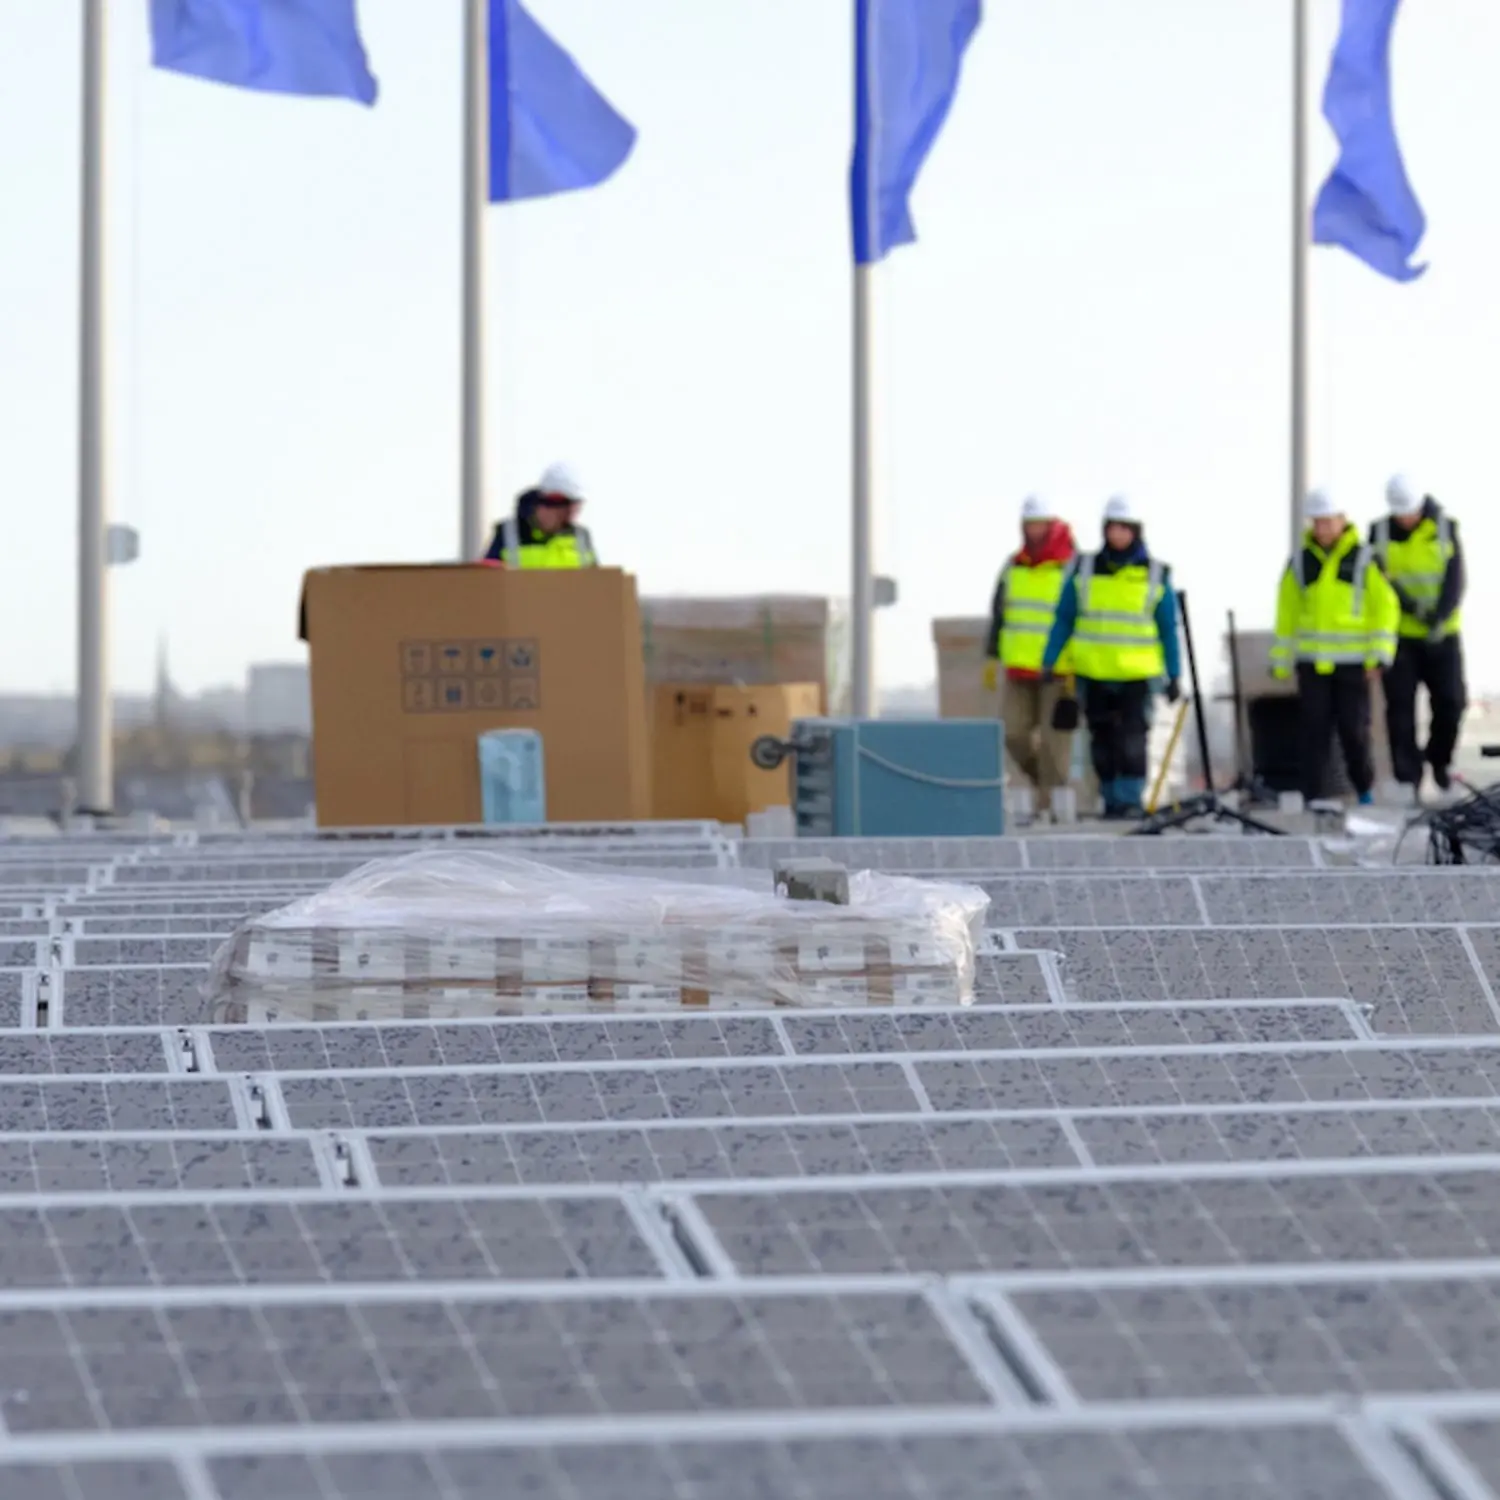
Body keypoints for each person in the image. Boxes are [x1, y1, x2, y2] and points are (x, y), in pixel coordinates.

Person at [1041, 496, 1182, 820]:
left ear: (1135, 531)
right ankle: (1111, 799)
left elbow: (1168, 629)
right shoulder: (1084, 569)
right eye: (1112, 528)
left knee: (1132, 740)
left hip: (1137, 674)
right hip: (1093, 671)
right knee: (1101, 740)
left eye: (1124, 528)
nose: (1117, 535)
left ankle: (1130, 799)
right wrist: (1050, 660)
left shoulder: (1155, 574)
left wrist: (1174, 675)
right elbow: (1064, 618)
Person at [1270, 489, 1399, 807]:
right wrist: (1281, 660)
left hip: (1354, 665)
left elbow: (1385, 608)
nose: (1323, 529)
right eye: (1318, 522)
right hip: (1312, 665)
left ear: (1343, 520)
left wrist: (1379, 655)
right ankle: (1314, 796)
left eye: (1328, 521)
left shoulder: (1365, 560)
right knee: (1314, 732)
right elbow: (1286, 613)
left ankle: (1364, 791)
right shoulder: (1299, 563)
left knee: (1355, 733)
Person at [1370, 473, 1467, 797]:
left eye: (1410, 511)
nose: (1406, 518)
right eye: (1401, 513)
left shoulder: (1445, 528)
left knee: (1452, 702)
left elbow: (1456, 579)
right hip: (1400, 638)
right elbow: (1377, 581)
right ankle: (1407, 778)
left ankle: (1439, 762)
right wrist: (1411, 608)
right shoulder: (1379, 533)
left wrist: (1438, 616)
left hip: (1443, 635)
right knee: (1400, 711)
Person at [983, 497, 1078, 815]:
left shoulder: (1071, 566)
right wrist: (991, 656)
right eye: (1028, 525)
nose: (1033, 531)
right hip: (1018, 668)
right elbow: (999, 613)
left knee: (1056, 744)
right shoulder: (1013, 566)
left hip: (1060, 669)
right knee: (1012, 733)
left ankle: (1053, 804)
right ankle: (1046, 788)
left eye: (1038, 524)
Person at [482, 462, 598, 569]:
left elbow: (595, 583)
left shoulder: (581, 537)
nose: (572, 515)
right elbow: (487, 581)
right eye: (566, 507)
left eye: (576, 507)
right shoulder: (508, 534)